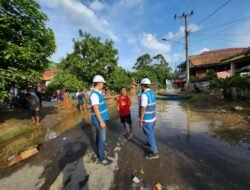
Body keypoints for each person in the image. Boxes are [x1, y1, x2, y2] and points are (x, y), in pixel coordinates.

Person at [89, 75, 112, 165]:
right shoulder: (94, 95)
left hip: (101, 119)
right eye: (102, 83)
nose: (103, 84)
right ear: (99, 84)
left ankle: (100, 152)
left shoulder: (97, 93)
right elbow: (96, 109)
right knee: (102, 139)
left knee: (99, 137)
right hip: (99, 120)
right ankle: (102, 158)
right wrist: (101, 121)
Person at [139, 78, 159, 159]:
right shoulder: (152, 93)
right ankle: (149, 143)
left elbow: (143, 108)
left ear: (143, 86)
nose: (141, 87)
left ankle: (155, 152)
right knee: (149, 132)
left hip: (147, 119)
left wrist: (140, 120)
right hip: (153, 117)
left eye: (141, 86)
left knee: (149, 134)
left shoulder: (144, 95)